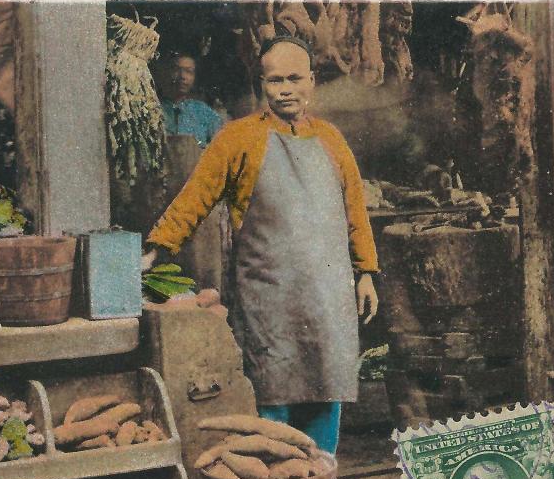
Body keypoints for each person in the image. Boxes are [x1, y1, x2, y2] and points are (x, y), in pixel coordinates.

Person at [142, 36, 379, 454]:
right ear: (261, 85)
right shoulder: (238, 138)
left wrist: (366, 273)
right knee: (272, 400)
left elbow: (355, 211)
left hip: (328, 298)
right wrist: (158, 247)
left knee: (328, 390)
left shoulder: (332, 140)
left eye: (294, 79)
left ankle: (319, 477)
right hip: (268, 297)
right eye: (274, 80)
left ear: (311, 82)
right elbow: (195, 196)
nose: (285, 89)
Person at [158, 52, 223, 147]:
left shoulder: (203, 111)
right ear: (167, 72)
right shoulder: (155, 108)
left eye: (189, 71)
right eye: (176, 69)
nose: (182, 77)